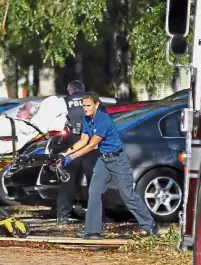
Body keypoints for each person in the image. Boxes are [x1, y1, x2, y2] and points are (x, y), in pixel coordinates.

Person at [59, 91, 159, 239]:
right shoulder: (86, 119)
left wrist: (72, 157)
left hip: (118, 160)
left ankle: (150, 225)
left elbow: (91, 145)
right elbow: (82, 141)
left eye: (88, 106)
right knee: (93, 192)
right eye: (83, 106)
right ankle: (93, 231)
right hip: (103, 160)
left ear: (96, 105)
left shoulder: (103, 120)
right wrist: (64, 154)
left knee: (128, 195)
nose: (85, 109)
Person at [56, 80, 100, 228]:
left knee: (67, 183)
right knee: (93, 184)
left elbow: (56, 125)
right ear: (83, 90)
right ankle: (96, 218)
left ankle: (63, 218)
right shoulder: (93, 101)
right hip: (91, 146)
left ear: (70, 91)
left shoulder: (63, 102)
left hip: (71, 145)